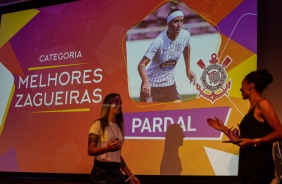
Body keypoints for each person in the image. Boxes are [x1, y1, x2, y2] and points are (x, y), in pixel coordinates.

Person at [207, 69, 282, 184]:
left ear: (251, 85)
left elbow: (279, 132)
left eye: (242, 84)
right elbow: (243, 140)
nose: (240, 89)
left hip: (259, 168)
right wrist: (223, 128)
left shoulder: (263, 104)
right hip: (248, 169)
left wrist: (253, 141)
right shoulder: (251, 109)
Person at [138, 6, 196, 102]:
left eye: (181, 21)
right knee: (151, 116)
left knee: (178, 112)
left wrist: (188, 70)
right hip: (152, 86)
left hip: (169, 85)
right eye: (175, 21)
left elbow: (186, 48)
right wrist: (146, 82)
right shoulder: (159, 41)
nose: (179, 25)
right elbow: (141, 65)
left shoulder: (185, 35)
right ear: (168, 23)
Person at [88, 93, 140, 184]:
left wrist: (131, 176)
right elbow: (90, 150)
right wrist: (107, 148)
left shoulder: (119, 128)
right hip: (101, 174)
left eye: (121, 102)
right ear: (107, 104)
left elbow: (117, 157)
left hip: (116, 173)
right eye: (116, 101)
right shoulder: (98, 124)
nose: (119, 104)